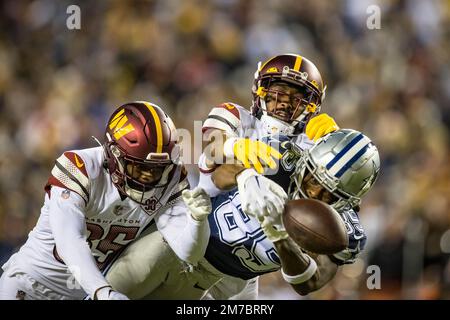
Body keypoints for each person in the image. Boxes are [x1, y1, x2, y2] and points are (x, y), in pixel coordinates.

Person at [105, 129, 380, 299]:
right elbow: (214, 166)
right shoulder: (282, 155)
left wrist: (280, 237)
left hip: (217, 282)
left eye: (329, 195)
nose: (315, 194)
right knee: (104, 292)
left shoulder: (344, 233)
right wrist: (245, 176)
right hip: (176, 240)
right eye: (312, 180)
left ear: (349, 202)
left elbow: (309, 283)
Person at [0, 101, 207, 300]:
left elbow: (187, 252)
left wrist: (198, 221)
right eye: (140, 168)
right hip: (29, 286)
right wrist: (103, 292)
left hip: (87, 294)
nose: (148, 177)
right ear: (114, 154)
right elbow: (70, 240)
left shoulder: (170, 178)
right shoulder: (78, 166)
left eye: (157, 169)